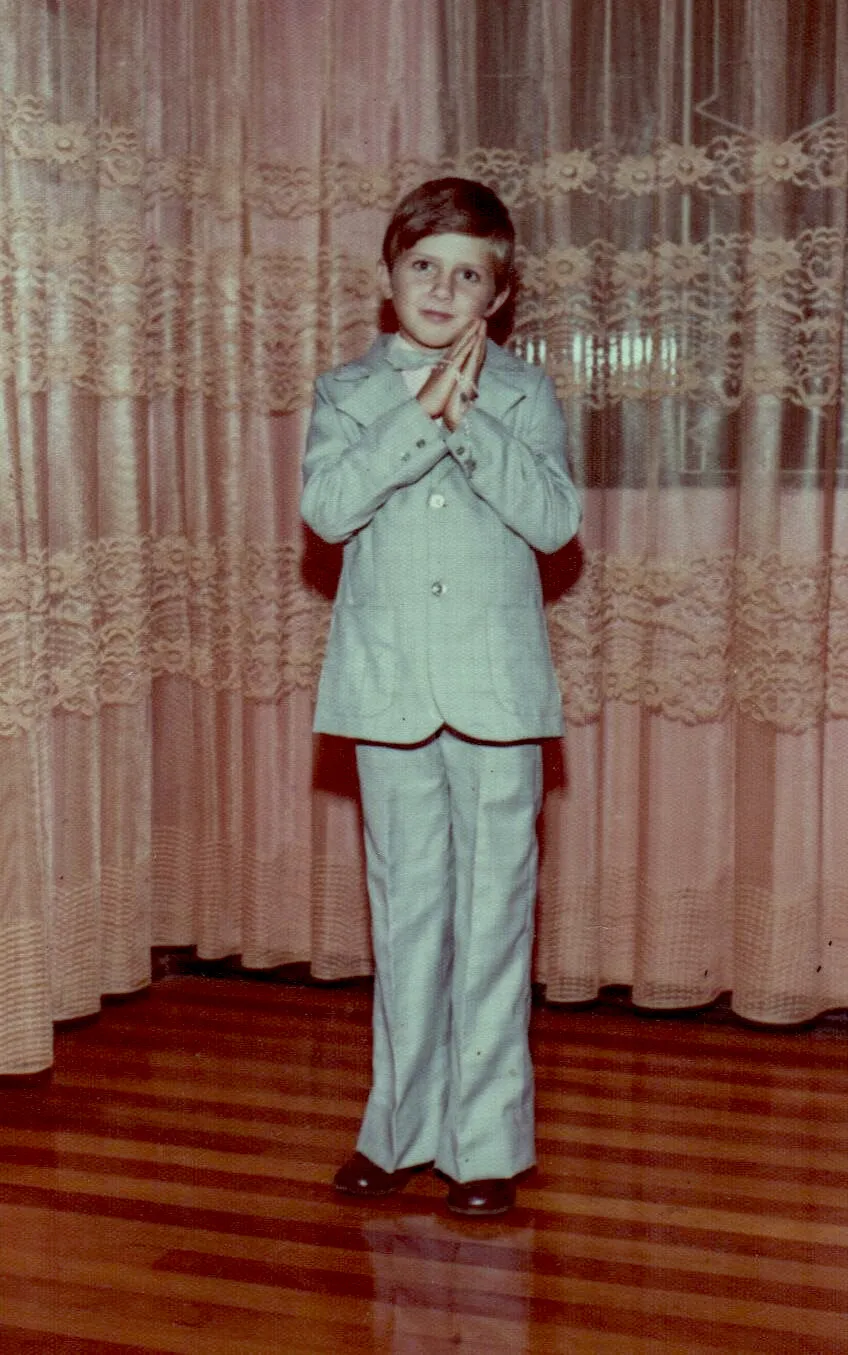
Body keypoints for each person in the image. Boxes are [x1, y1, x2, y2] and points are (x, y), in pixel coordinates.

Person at [301, 177, 581, 1217]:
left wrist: (469, 419)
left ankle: (486, 1145)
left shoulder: (525, 394)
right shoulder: (345, 391)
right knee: (407, 912)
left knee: (495, 916)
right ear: (389, 277)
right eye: (423, 266)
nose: (440, 289)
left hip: (497, 697)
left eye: (467, 276)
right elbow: (327, 509)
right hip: (387, 693)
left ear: (495, 298)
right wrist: (416, 411)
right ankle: (396, 1131)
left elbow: (554, 522)